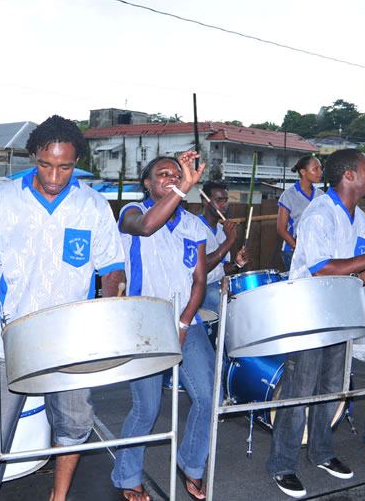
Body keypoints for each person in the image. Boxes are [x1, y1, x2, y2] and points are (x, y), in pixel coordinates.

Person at [0, 115, 126, 501]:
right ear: (33, 156)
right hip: (10, 333)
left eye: (65, 166)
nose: (54, 176)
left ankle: (59, 496)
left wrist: (110, 296)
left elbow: (112, 267)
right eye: (46, 165)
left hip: (69, 338)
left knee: (75, 422)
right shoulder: (4, 197)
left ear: (77, 162)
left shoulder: (93, 205)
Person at [268, 149, 365, 499]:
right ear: (349, 176)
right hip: (310, 313)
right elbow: (321, 266)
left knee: (331, 389)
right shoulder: (319, 213)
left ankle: (321, 452)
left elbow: (361, 268)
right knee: (299, 391)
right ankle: (282, 464)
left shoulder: (359, 219)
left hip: (340, 311)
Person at [112, 152, 212, 501]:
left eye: (176, 173)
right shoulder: (132, 213)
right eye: (162, 174)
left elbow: (199, 279)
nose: (170, 177)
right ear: (147, 182)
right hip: (146, 325)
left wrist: (185, 320)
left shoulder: (194, 225)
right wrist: (183, 187)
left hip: (189, 323)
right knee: (147, 408)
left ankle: (192, 465)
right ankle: (127, 476)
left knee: (207, 399)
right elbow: (147, 227)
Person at [199, 180, 248, 313]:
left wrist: (237, 264)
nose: (223, 205)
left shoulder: (222, 230)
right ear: (205, 201)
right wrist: (229, 241)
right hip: (201, 287)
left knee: (247, 298)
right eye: (218, 200)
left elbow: (222, 268)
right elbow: (202, 268)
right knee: (233, 308)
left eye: (225, 200)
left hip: (220, 284)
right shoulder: (195, 227)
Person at [277, 155, 324, 270]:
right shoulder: (288, 195)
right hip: (293, 252)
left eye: (320, 168)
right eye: (315, 169)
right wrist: (298, 248)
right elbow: (281, 229)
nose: (320, 172)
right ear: (303, 172)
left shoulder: (321, 195)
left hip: (317, 251)